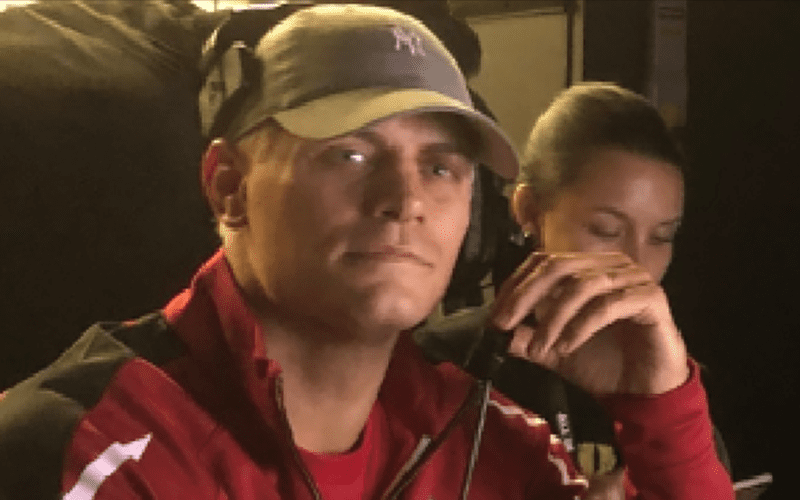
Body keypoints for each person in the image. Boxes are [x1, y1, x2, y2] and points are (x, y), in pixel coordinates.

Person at [0, 4, 733, 499]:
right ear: (229, 187)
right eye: (349, 154)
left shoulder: (490, 439)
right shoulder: (95, 451)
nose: (405, 199)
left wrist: (659, 406)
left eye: (440, 167)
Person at [416, 81, 731, 497]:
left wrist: (664, 410)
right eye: (606, 229)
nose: (635, 265)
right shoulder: (444, 363)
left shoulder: (664, 375)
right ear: (530, 211)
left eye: (661, 237)